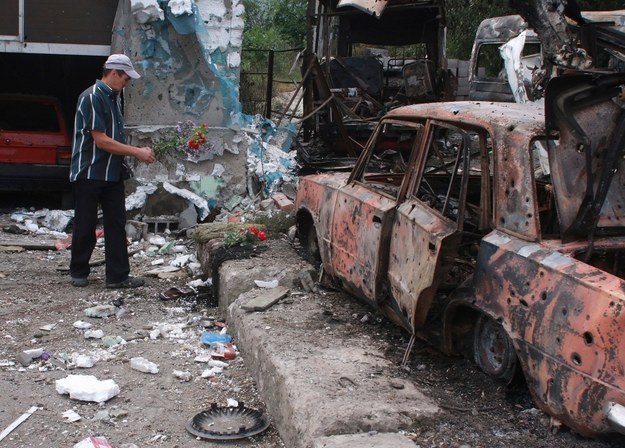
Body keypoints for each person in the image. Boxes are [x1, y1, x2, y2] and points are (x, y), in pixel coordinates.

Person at [69, 54, 155, 288]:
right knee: (85, 223)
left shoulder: (114, 98)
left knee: (116, 223)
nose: (127, 84)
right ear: (114, 73)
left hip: (112, 171)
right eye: (126, 79)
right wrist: (136, 152)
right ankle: (78, 271)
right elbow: (101, 141)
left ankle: (117, 276)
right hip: (89, 170)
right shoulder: (93, 97)